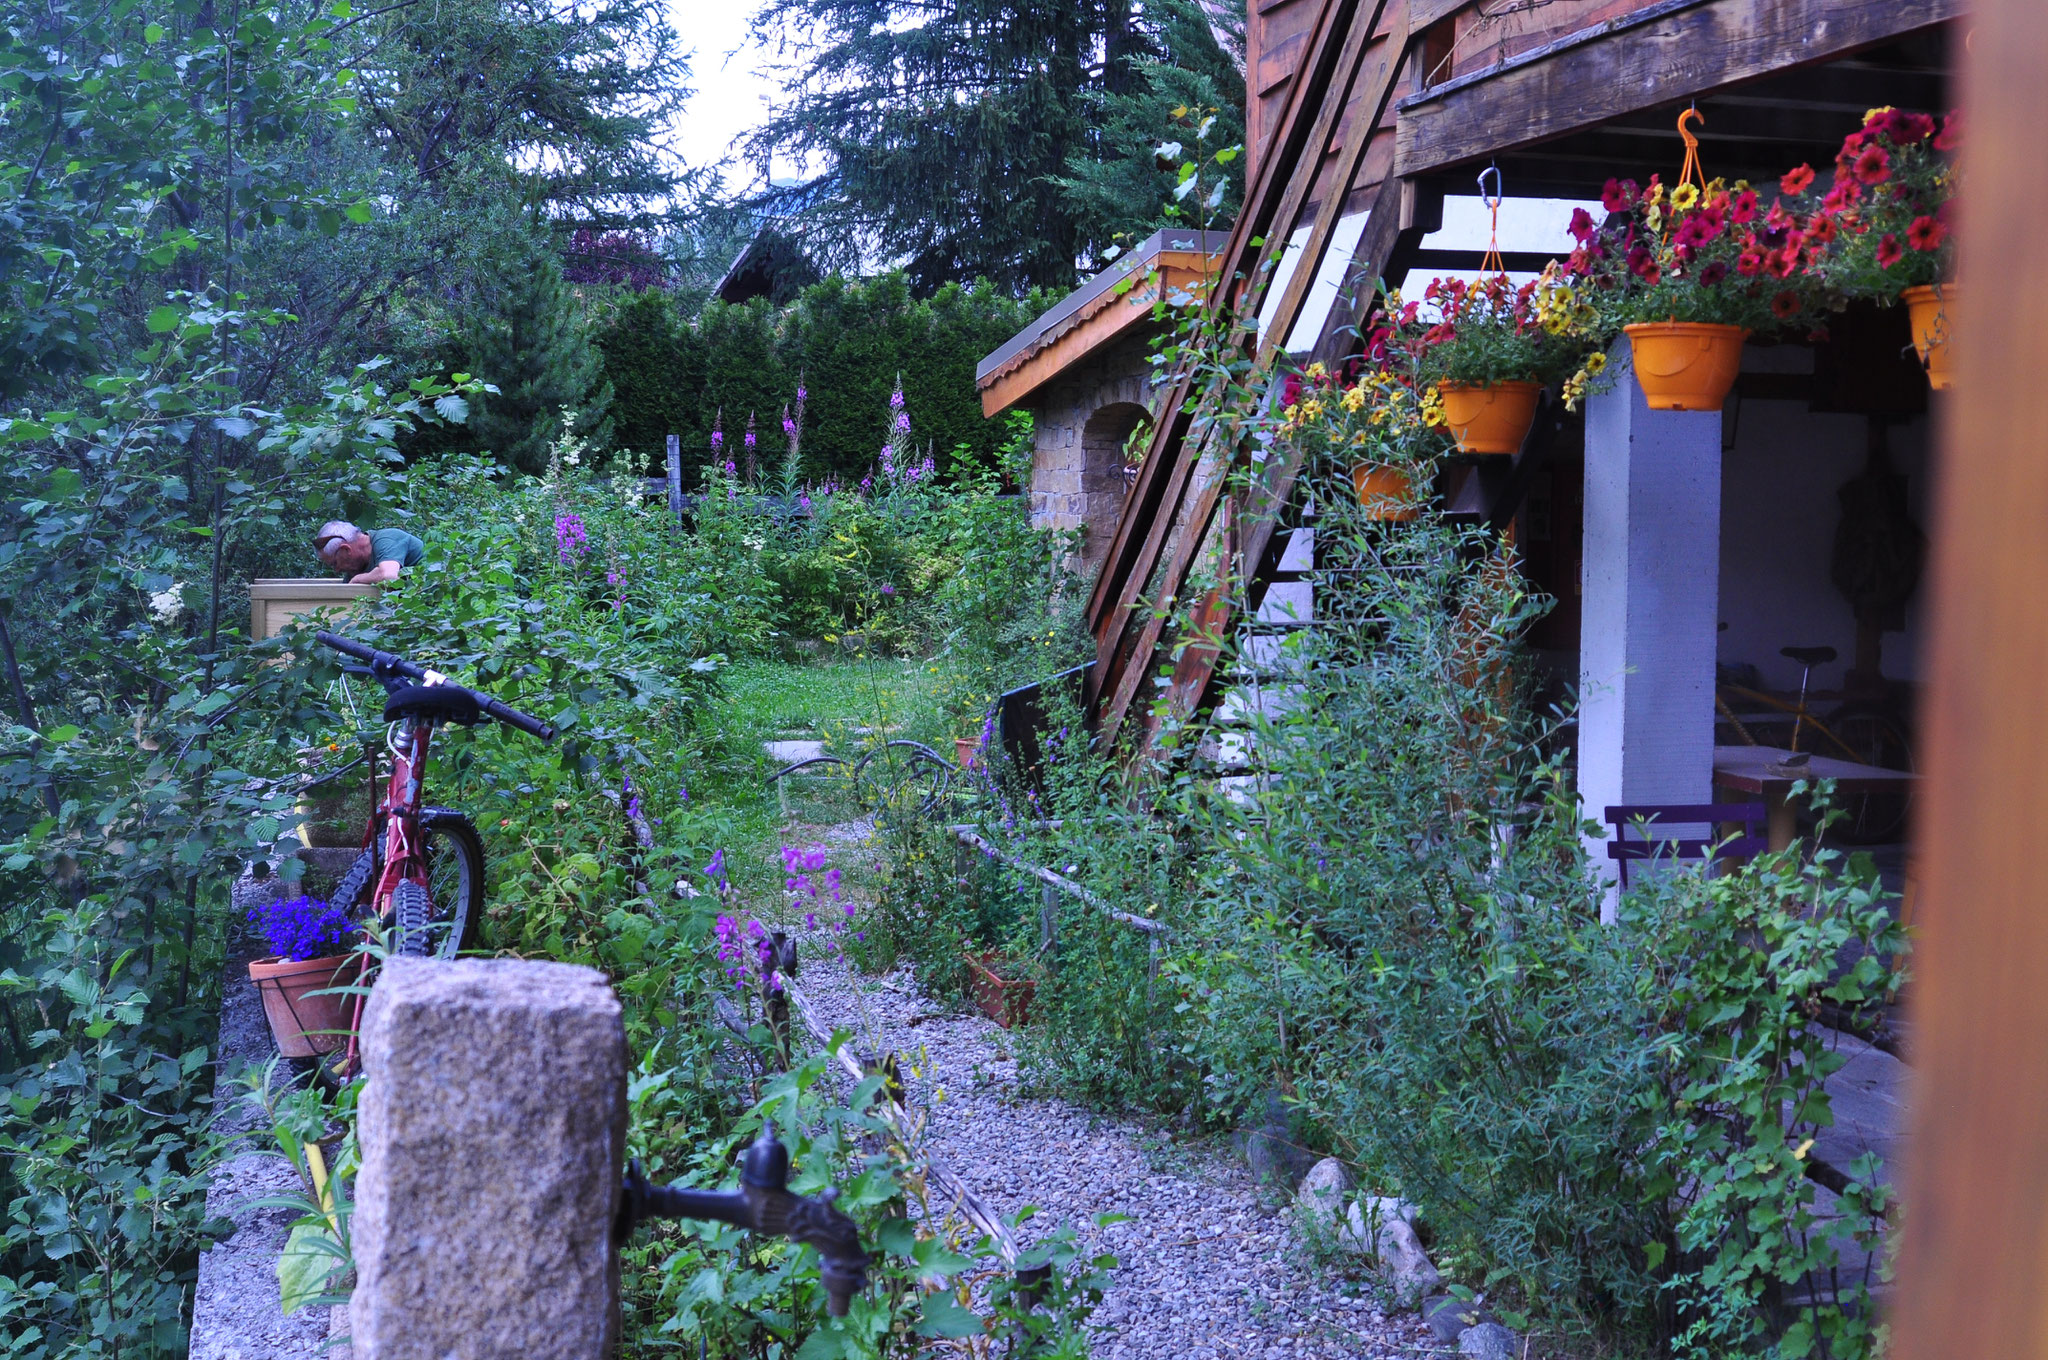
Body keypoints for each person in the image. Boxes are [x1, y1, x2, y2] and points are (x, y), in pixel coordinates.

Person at [314, 520, 424, 583]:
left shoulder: (387, 539)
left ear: (346, 549)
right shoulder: (355, 569)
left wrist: (358, 580)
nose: (337, 570)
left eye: (335, 563)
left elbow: (389, 576)